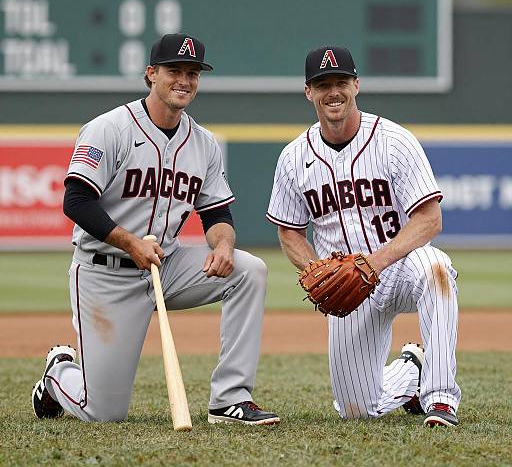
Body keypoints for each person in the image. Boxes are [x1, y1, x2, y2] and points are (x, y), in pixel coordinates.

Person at [31, 33, 279, 426]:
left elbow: (217, 216)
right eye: (174, 71)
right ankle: (60, 372)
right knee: (104, 413)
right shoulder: (108, 129)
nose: (184, 80)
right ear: (151, 74)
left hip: (167, 264)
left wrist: (224, 246)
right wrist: (129, 242)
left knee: (249, 270)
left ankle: (230, 400)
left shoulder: (203, 143)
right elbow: (76, 201)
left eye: (192, 73)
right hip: (105, 271)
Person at [266, 45, 460, 427]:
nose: (332, 91)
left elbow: (429, 220)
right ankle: (412, 369)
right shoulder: (293, 157)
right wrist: (318, 269)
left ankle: (440, 399)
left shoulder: (394, 141)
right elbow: (289, 232)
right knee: (356, 410)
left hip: (401, 265)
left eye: (340, 82)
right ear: (309, 92)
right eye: (323, 84)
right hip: (347, 286)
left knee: (436, 269)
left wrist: (374, 262)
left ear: (356, 84)